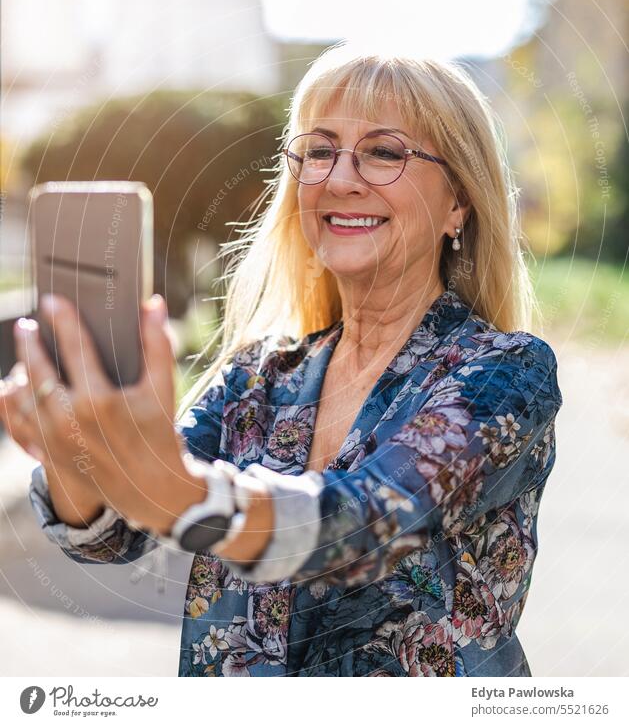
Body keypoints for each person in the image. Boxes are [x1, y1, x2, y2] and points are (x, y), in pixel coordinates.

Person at [0, 42, 562, 677]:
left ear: (458, 202)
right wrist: (73, 451)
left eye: (384, 152)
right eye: (318, 151)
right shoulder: (257, 376)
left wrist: (178, 492)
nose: (339, 178)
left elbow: (359, 525)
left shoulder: (506, 372)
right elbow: (112, 536)